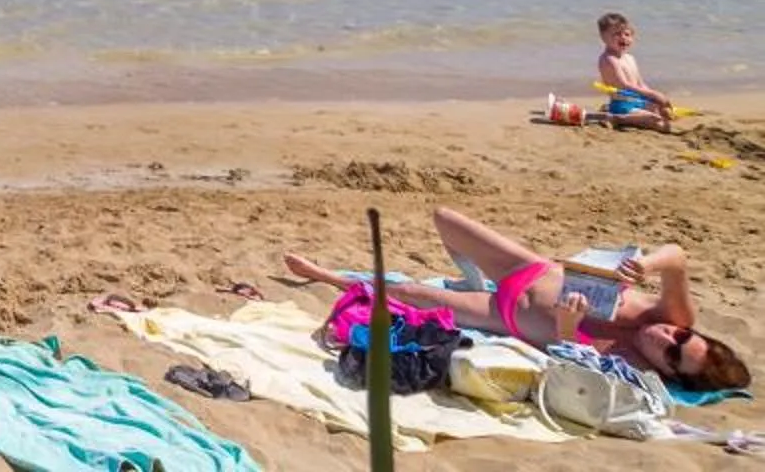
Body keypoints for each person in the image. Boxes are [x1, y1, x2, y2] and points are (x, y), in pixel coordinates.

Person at [283, 207, 747, 390]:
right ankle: (469, 278)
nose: (669, 335)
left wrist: (568, 330)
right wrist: (647, 265)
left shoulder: (631, 368)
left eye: (673, 352)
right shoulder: (673, 313)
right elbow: (679, 256)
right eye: (683, 335)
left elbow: (568, 367)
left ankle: (326, 276)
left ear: (666, 371)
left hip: (505, 314)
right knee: (445, 218)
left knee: (407, 293)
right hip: (533, 269)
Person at [596, 11, 678, 131]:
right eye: (617, 34)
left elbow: (640, 83)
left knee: (664, 112)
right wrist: (652, 94)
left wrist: (654, 97)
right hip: (622, 104)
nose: (623, 37)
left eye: (627, 34)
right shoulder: (609, 60)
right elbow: (624, 86)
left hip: (638, 101)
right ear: (603, 37)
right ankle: (616, 118)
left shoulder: (630, 58)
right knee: (661, 124)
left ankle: (609, 110)